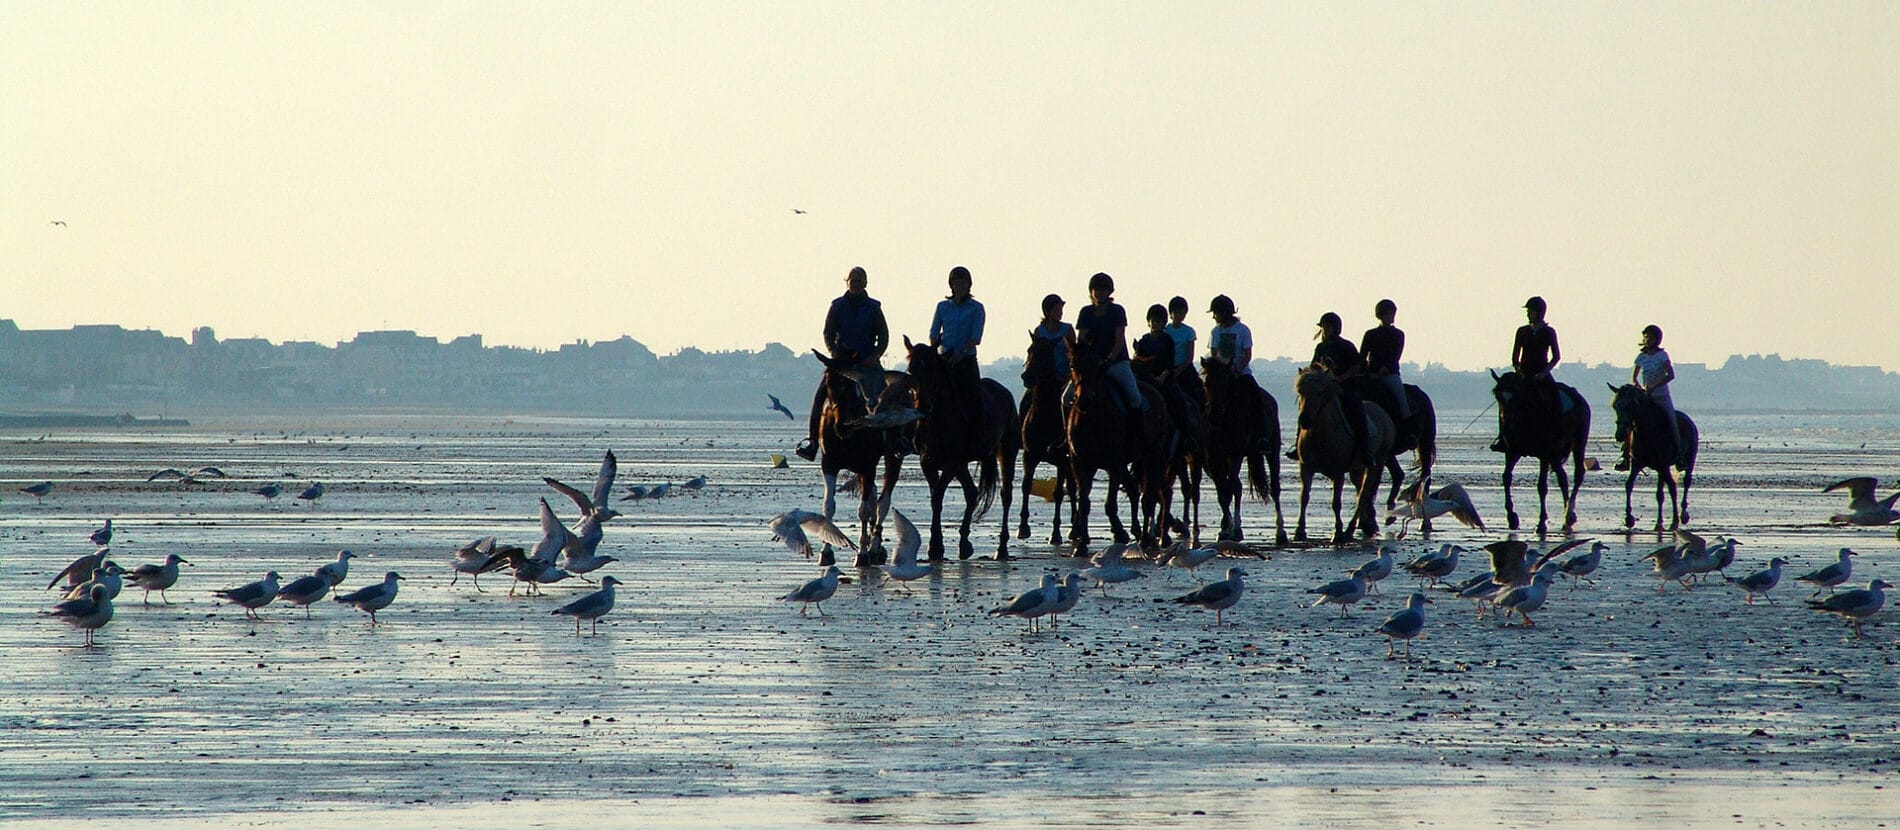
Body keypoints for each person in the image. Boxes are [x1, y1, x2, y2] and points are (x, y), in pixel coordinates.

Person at [796, 266, 888, 461]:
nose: (855, 284)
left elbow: (884, 336)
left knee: (885, 396)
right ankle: (812, 442)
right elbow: (828, 333)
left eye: (859, 281)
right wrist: (834, 353)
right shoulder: (837, 306)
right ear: (847, 283)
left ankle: (893, 440)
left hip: (866, 361)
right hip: (841, 361)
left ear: (865, 283)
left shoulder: (874, 307)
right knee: (820, 396)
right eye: (852, 280)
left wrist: (876, 355)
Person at [1494, 295, 1562, 453]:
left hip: (1541, 374)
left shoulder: (1549, 332)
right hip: (1524, 375)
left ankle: (1556, 434)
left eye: (1530, 311)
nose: (1527, 314)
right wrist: (1519, 371)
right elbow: (1515, 356)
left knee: (1554, 398)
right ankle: (1502, 438)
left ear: (1539, 313)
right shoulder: (1522, 331)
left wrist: (1544, 373)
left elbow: (1556, 357)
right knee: (1507, 403)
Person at [1206, 294, 1273, 451]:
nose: (1214, 316)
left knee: (1256, 398)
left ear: (1224, 312)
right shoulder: (1214, 332)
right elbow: (1214, 353)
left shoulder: (1242, 330)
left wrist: (1236, 368)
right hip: (1222, 374)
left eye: (1215, 313)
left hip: (1241, 373)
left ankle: (1262, 437)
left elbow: (1247, 354)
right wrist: (1223, 368)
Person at [1074, 272, 1146, 415]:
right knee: (1066, 397)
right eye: (1097, 290)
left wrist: (1109, 359)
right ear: (1091, 292)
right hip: (1091, 366)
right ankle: (1067, 434)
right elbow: (1081, 341)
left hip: (1116, 362)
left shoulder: (1117, 311)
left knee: (1135, 397)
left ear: (1109, 292)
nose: (1100, 293)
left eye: (1103, 290)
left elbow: (1119, 340)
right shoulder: (1085, 312)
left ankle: (1137, 434)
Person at [1307, 311, 1372, 466]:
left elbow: (1357, 366)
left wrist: (1340, 377)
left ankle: (1365, 450)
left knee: (1357, 413)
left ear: (1336, 328)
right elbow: (1314, 366)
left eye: (1328, 326)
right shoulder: (1320, 347)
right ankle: (1299, 445)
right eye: (1323, 326)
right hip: (1325, 390)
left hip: (1346, 388)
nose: (1325, 329)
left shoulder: (1346, 346)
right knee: (1307, 409)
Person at [928, 266, 986, 422]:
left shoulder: (976, 308)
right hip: (944, 358)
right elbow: (934, 333)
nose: (960, 287)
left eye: (963, 283)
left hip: (966, 359)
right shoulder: (942, 307)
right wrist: (936, 350)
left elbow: (976, 337)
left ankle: (979, 433)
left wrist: (961, 354)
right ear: (951, 285)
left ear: (969, 285)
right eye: (956, 283)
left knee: (974, 398)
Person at [1619, 324, 1680, 470]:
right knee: (1629, 423)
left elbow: (1670, 375)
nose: (1647, 340)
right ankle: (1625, 457)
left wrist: (1654, 387)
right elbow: (1634, 377)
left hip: (1661, 396)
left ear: (1657, 339)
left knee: (1672, 423)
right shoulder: (1641, 356)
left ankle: (1679, 456)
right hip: (1645, 396)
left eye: (1650, 337)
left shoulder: (1662, 355)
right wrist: (1639, 387)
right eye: (1645, 337)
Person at [1360, 299, 1412, 432]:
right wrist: (1365, 370)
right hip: (1372, 374)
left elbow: (1396, 355)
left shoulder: (1398, 334)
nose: (1391, 317)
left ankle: (1409, 431)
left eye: (1392, 314)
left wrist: (1387, 368)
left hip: (1390, 374)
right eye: (1388, 314)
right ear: (1381, 315)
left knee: (1402, 401)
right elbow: (1363, 355)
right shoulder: (1370, 334)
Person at [1027, 293, 1073, 386]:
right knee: (1028, 398)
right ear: (1048, 311)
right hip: (1044, 375)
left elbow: (1073, 352)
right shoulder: (1039, 331)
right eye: (1056, 309)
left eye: (1061, 309)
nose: (1060, 312)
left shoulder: (1068, 329)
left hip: (1065, 375)